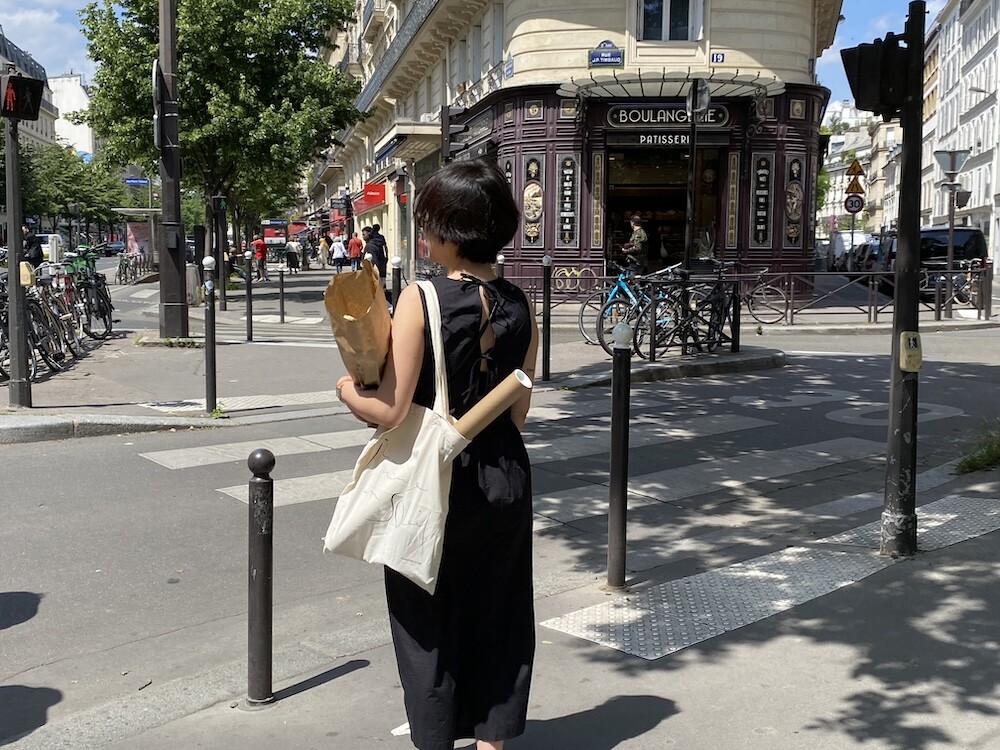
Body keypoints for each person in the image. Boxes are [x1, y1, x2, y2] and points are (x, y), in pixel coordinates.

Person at [336, 159, 538, 750]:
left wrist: (345, 389)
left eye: (429, 223)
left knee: (425, 619)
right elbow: (518, 409)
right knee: (499, 609)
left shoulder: (420, 298)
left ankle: (436, 737)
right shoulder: (521, 302)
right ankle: (493, 740)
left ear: (451, 228)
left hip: (437, 479)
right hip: (504, 473)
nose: (423, 234)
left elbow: (390, 408)